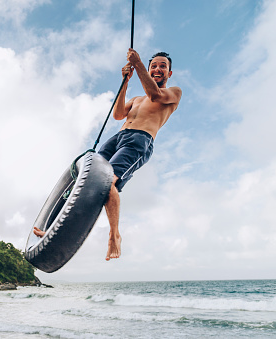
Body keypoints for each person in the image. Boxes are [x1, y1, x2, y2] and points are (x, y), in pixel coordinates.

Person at [33, 48, 182, 261]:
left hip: (140, 140)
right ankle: (53, 229)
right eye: (154, 66)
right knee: (84, 185)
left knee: (107, 184)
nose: (158, 69)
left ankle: (114, 234)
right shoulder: (137, 99)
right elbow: (118, 114)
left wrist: (138, 63)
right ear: (149, 70)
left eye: (162, 67)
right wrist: (125, 82)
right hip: (117, 138)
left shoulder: (173, 93)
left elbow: (155, 94)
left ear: (169, 73)